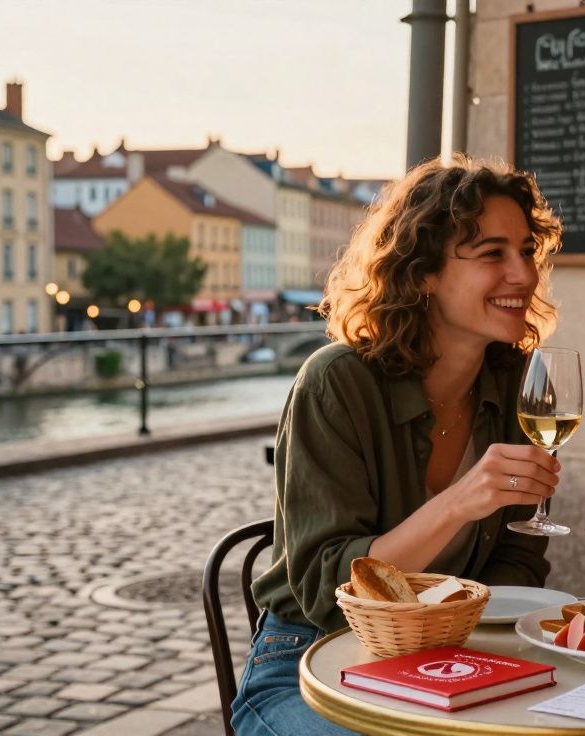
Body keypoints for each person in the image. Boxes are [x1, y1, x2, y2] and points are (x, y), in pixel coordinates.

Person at [232, 156, 564, 735]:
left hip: (449, 659)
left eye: (526, 251)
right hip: (308, 667)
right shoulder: (337, 382)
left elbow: (521, 557)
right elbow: (322, 589)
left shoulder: (521, 384)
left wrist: (457, 647)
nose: (524, 275)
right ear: (421, 275)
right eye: (493, 254)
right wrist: (459, 502)